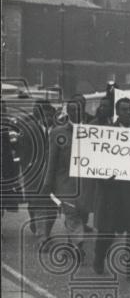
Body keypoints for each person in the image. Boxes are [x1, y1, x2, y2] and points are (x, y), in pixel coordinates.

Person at [92, 97, 130, 281]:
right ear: (118, 112)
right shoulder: (107, 133)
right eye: (125, 110)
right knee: (107, 231)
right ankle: (99, 257)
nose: (129, 113)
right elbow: (96, 162)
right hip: (111, 192)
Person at [41, 98, 88, 258]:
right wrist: (48, 183)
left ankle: (72, 243)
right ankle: (78, 245)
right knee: (71, 213)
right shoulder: (58, 132)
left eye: (79, 109)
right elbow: (51, 160)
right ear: (68, 111)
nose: (76, 112)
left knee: (81, 213)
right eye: (72, 110)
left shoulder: (94, 131)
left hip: (86, 183)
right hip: (65, 182)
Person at [19, 101, 58, 239]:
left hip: (54, 176)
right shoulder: (30, 129)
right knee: (38, 203)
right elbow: (23, 153)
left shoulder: (59, 130)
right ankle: (43, 237)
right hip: (35, 175)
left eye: (50, 115)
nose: (48, 119)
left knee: (53, 207)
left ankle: (45, 230)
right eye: (45, 116)